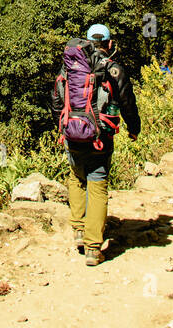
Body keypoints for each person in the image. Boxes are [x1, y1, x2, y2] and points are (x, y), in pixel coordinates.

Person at [51, 24, 140, 266]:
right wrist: (134, 129)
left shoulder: (69, 68)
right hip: (100, 137)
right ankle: (93, 247)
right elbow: (127, 103)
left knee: (76, 178)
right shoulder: (112, 69)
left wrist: (65, 126)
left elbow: (57, 100)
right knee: (97, 184)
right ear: (109, 44)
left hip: (72, 133)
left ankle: (79, 230)